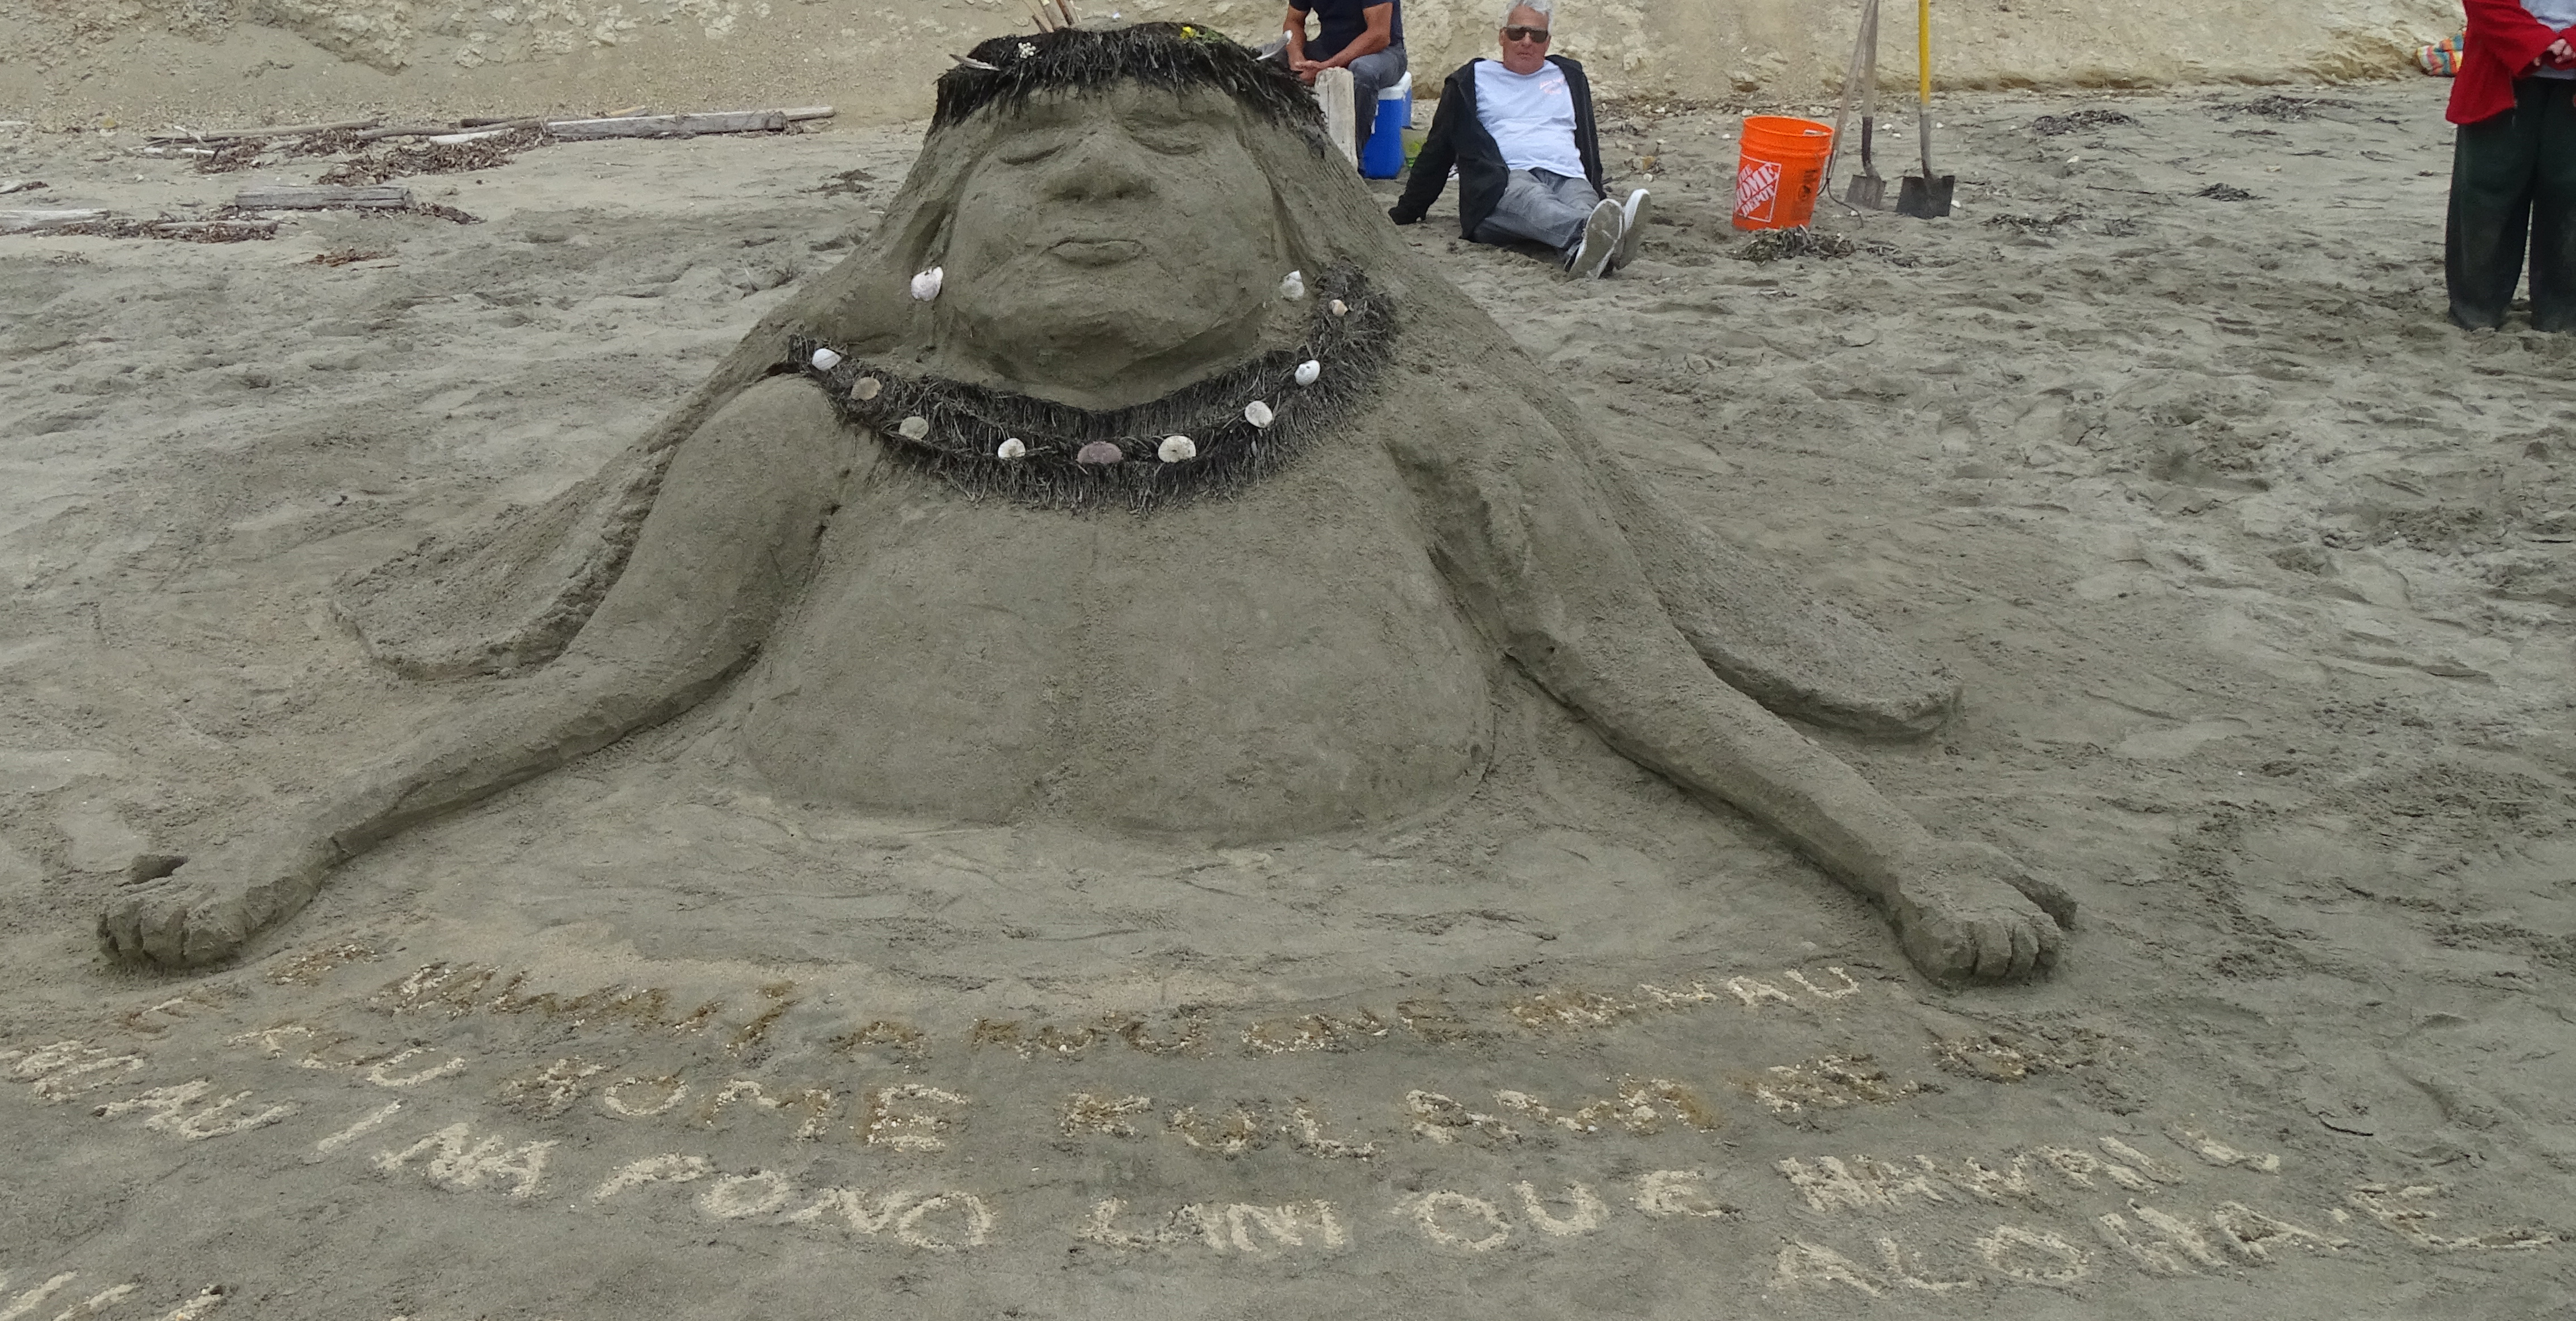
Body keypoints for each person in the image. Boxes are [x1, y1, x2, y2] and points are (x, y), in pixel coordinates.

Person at [105, 24, 2069, 986]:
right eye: (1035, 152)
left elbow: (1637, 675)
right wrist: (304, 831)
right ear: (939, 226)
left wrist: (1905, 866)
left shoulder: (1429, 432)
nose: (1097, 181)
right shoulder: (803, 443)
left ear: (1294, 219)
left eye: (1167, 144)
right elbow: (610, 680)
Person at [1389, 1, 1651, 277]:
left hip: (1568, 174)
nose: (1527, 41)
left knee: (1585, 205)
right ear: (1502, 36)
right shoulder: (1471, 80)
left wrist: (1597, 188)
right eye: (1517, 33)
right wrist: (1408, 210)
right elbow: (1437, 150)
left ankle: (1588, 250)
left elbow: (1589, 143)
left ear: (1547, 42)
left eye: (1536, 35)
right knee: (1535, 199)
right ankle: (1607, 238)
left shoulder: (1569, 76)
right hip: (1503, 181)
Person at [2448, 0, 2576, 330]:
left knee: (2572, 197)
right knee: (2487, 191)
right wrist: (2528, 39)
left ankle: (2564, 315)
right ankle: (2476, 310)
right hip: (2499, 67)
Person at [1270, 0, 1406, 153]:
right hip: (1328, 49)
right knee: (1269, 61)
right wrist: (1297, 60)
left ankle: (1352, 159)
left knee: (1362, 72)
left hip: (1385, 53)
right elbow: (1293, 21)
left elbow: (1379, 35)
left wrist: (1328, 67)